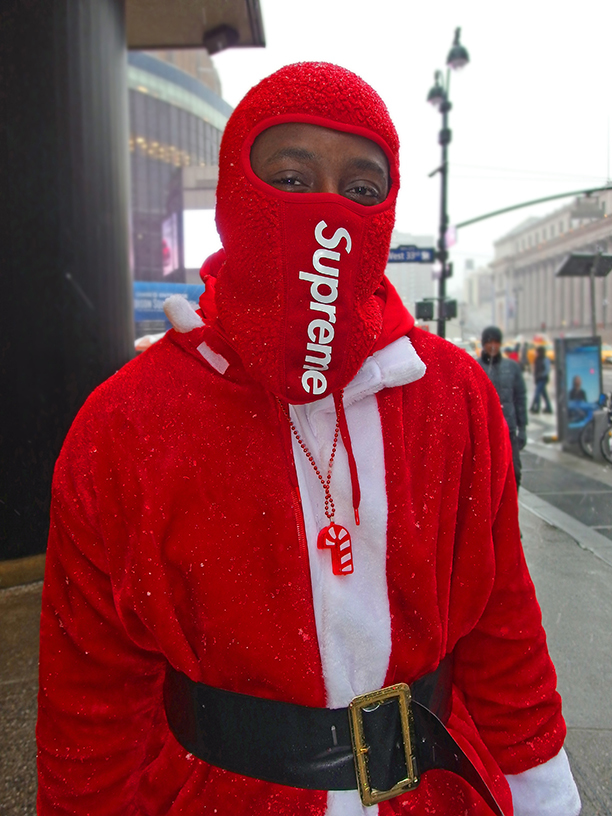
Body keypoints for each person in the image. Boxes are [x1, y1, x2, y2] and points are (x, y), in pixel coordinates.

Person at [37, 63, 581, 816]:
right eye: (291, 180)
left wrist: (542, 790)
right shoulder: (126, 425)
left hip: (436, 790)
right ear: (235, 192)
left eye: (361, 190)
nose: (329, 212)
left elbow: (502, 627)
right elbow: (91, 697)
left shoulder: (455, 397)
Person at [477, 327, 528, 490]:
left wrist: (523, 427)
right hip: (484, 431)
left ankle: (510, 511)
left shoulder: (512, 367)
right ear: (483, 344)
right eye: (489, 342)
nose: (492, 346)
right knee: (485, 476)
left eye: (496, 342)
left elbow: (520, 398)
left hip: (509, 429)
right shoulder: (475, 366)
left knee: (514, 472)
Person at [530, 345, 553, 413]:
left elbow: (547, 370)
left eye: (537, 352)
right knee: (544, 394)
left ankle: (536, 408)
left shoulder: (545, 359)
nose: (536, 353)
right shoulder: (537, 359)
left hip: (542, 379)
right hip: (538, 379)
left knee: (537, 393)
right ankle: (548, 408)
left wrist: (541, 375)